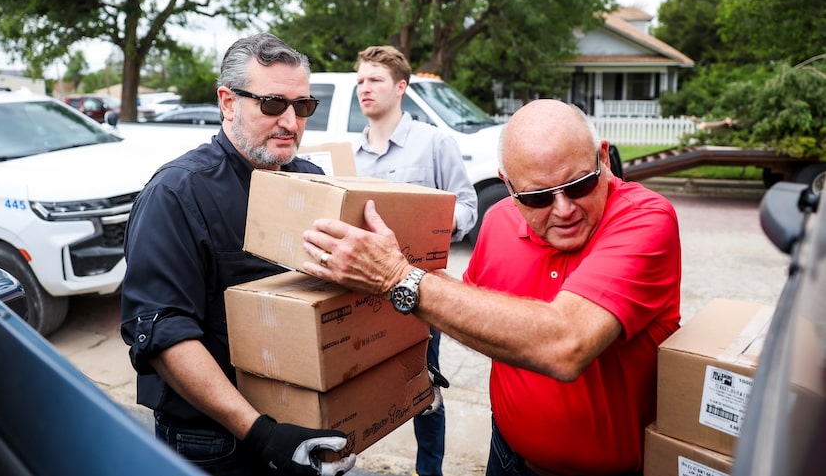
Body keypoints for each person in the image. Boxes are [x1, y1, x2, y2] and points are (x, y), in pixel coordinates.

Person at [301, 100, 682, 476]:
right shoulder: (499, 221)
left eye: (579, 185)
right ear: (508, 185)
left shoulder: (645, 219)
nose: (564, 209)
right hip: (507, 456)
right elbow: (467, 311)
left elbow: (566, 344)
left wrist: (397, 277)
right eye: (537, 197)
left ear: (604, 159)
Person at [120, 33, 356, 476]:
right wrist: (262, 434)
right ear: (228, 103)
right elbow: (163, 335)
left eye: (303, 106)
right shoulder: (176, 194)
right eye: (272, 104)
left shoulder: (311, 181)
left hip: (302, 427)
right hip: (212, 441)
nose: (290, 121)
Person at [353, 45, 478, 476]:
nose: (364, 89)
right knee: (357, 384)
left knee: (425, 390)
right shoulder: (349, 156)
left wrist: (431, 229)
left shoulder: (433, 142)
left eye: (375, 80)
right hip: (362, 294)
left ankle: (431, 472)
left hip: (419, 290)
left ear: (401, 87)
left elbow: (468, 204)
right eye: (360, 81)